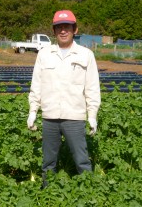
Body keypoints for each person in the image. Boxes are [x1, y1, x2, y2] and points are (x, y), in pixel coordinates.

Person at [27, 10, 101, 186]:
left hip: (74, 117)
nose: (63, 31)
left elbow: (92, 88)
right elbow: (36, 85)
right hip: (50, 117)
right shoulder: (44, 54)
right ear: (54, 31)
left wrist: (92, 115)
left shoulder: (85, 55)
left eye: (67, 27)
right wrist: (32, 111)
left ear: (74, 29)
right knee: (48, 162)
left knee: (82, 160)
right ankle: (48, 196)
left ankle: (89, 194)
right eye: (59, 27)